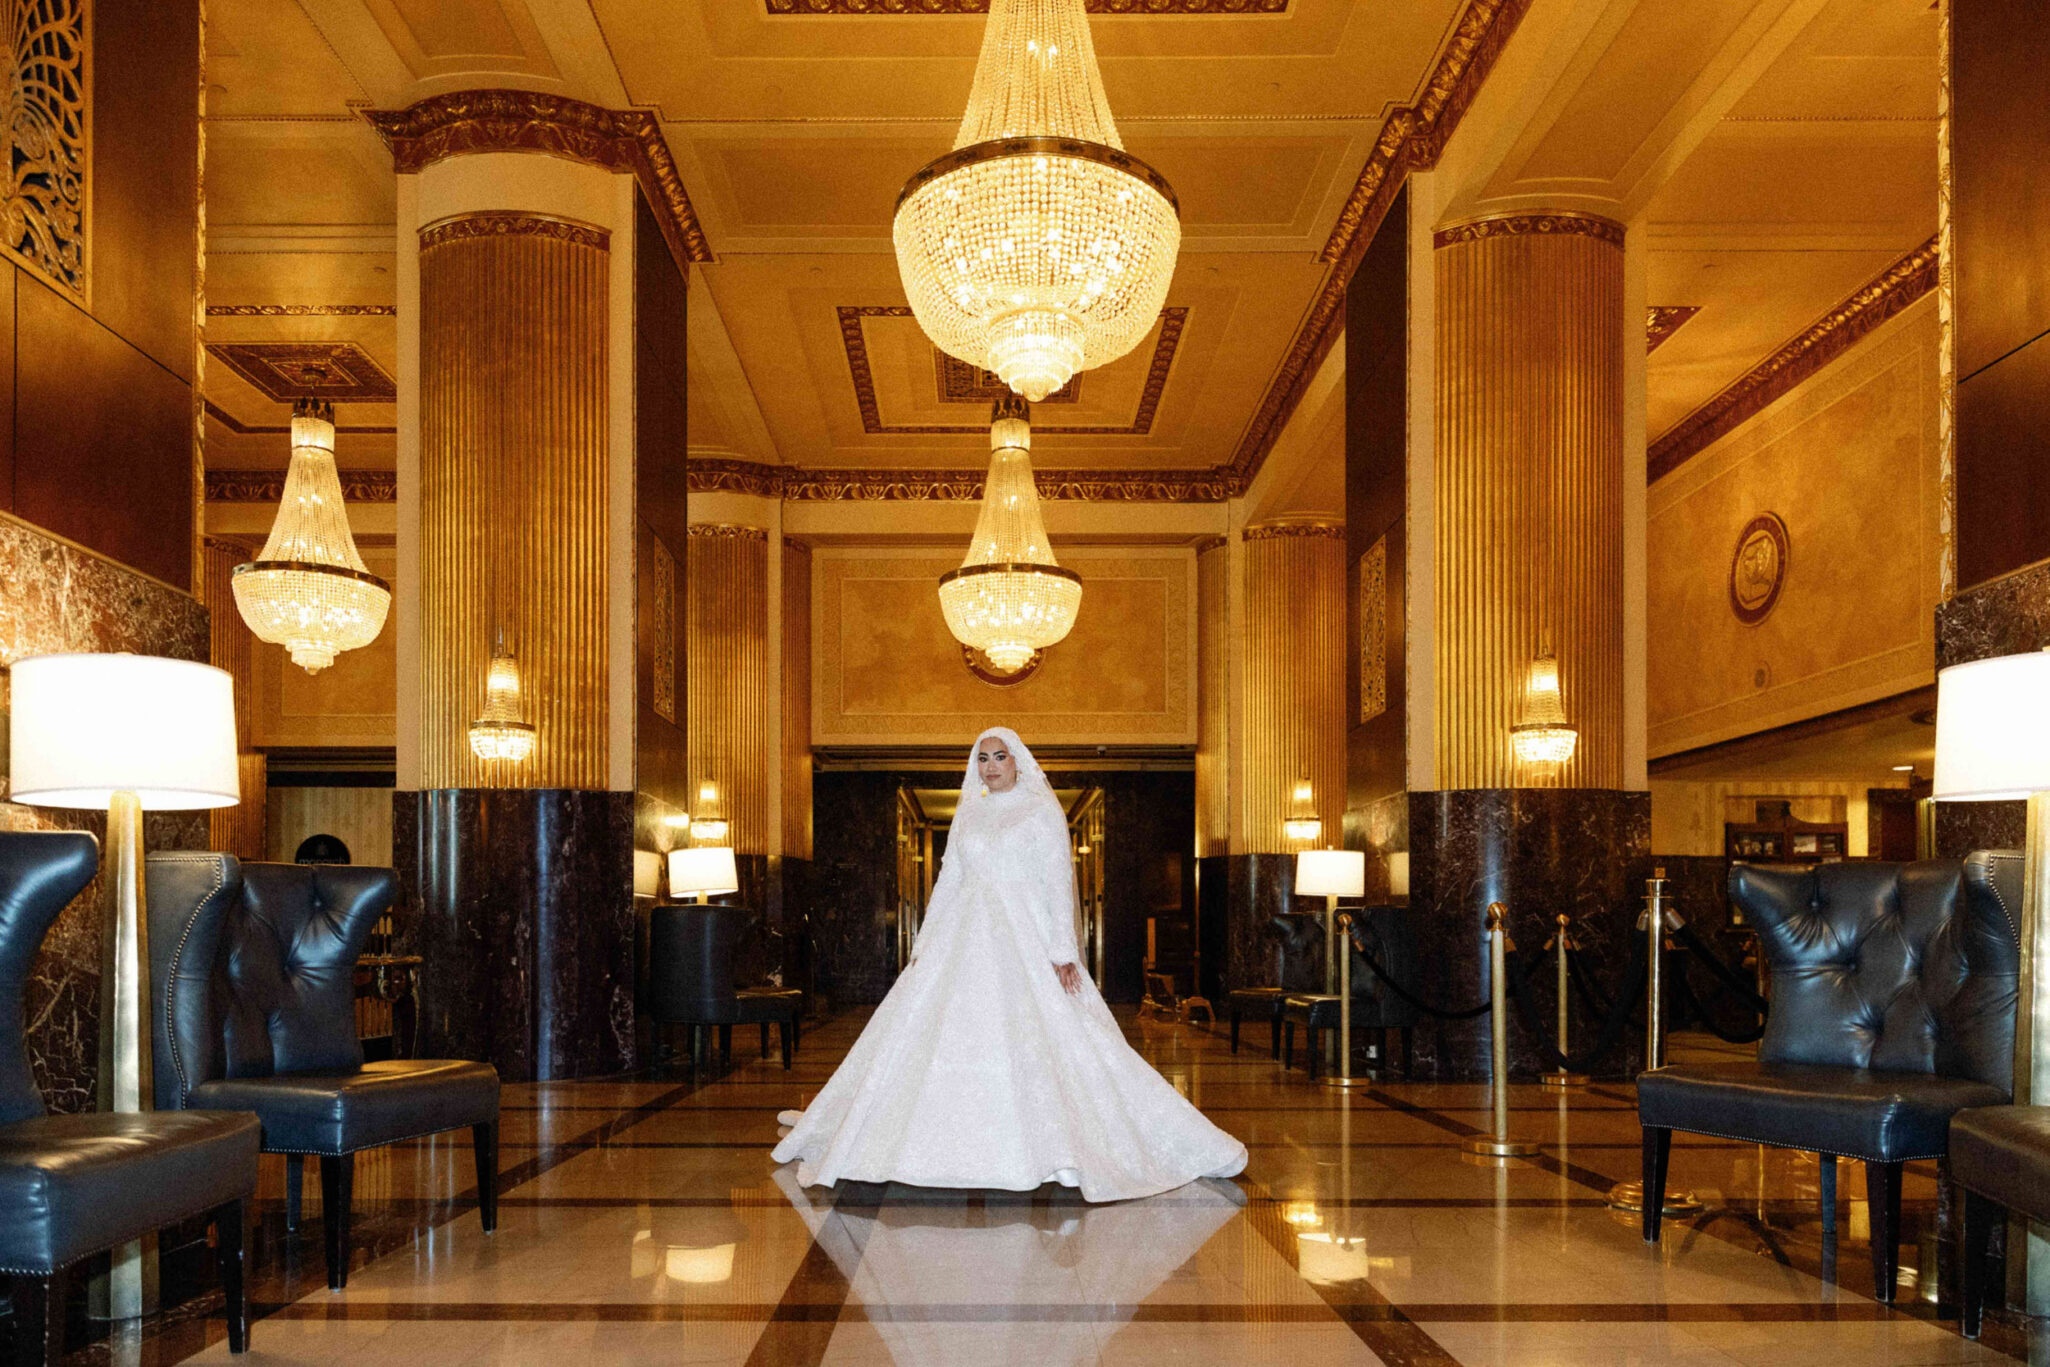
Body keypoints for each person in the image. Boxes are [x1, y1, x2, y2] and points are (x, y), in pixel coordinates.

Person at [772, 727, 1247, 1202]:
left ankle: (1062, 1147)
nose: (991, 765)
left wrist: (1062, 951)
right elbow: (948, 880)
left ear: (1019, 762)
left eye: (1001, 756)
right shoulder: (968, 814)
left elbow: (1057, 881)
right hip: (961, 936)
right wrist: (924, 946)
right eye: (983, 758)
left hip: (1024, 937)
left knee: (1055, 1037)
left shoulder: (1040, 811)